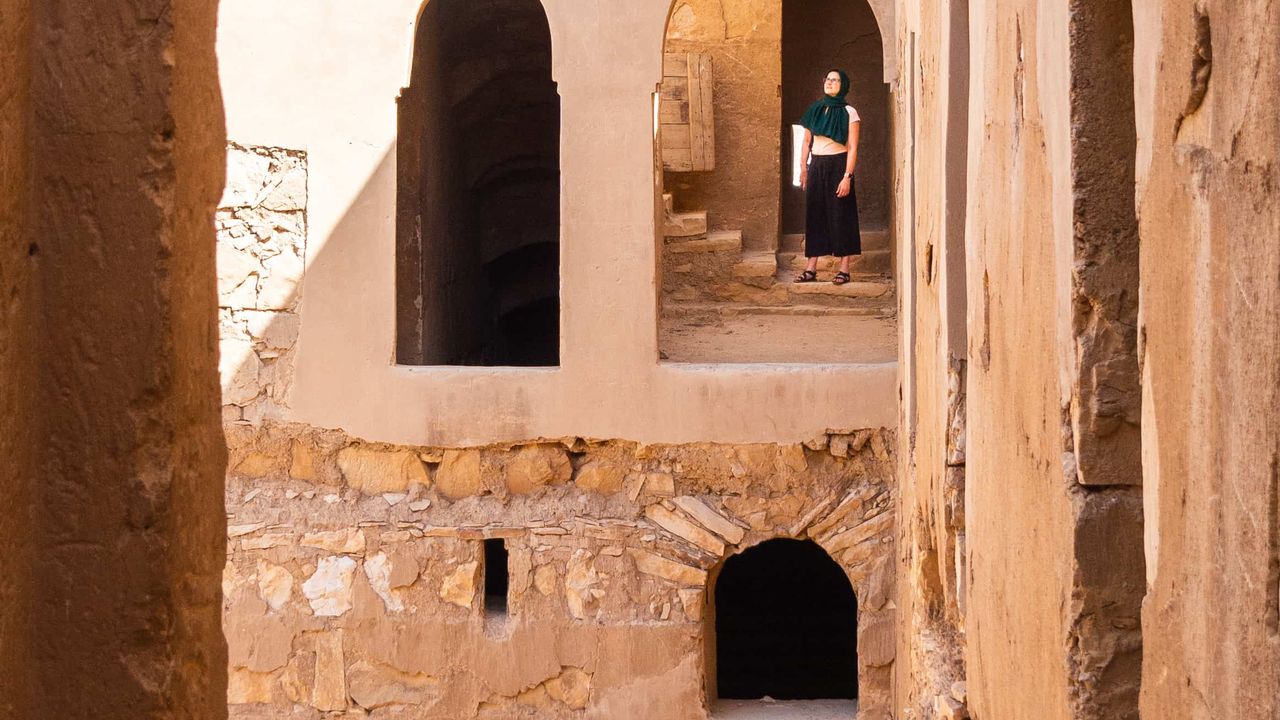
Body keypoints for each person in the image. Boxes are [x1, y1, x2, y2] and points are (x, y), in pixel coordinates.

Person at [794, 69, 862, 285]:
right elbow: (806, 141)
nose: (830, 83)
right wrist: (803, 168)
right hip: (817, 165)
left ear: (843, 85)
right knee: (814, 214)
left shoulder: (850, 112)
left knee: (841, 214)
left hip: (839, 165)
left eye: (835, 80)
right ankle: (811, 268)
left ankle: (844, 269)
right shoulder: (815, 109)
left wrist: (847, 176)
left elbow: (852, 147)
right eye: (828, 79)